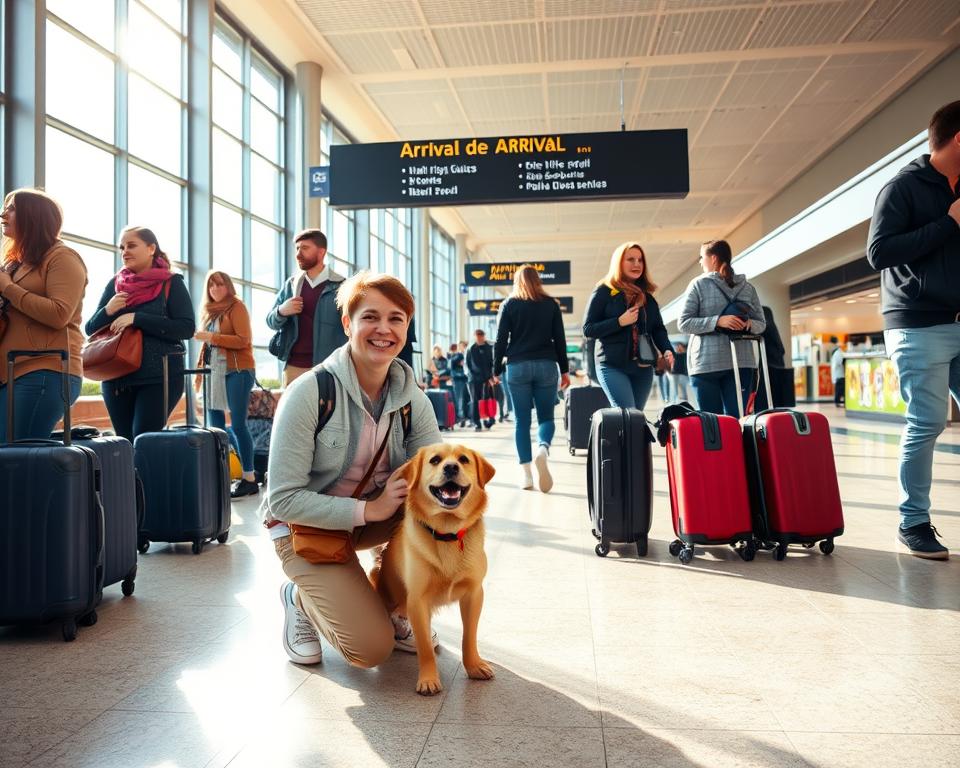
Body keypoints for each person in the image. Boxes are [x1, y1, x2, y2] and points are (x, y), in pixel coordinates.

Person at [262, 271, 443, 667]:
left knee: (439, 525)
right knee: (369, 650)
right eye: (370, 317)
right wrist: (370, 510)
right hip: (305, 529)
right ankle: (301, 600)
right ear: (348, 324)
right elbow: (284, 499)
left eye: (396, 318)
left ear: (407, 328)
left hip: (372, 522)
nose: (384, 329)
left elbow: (436, 476)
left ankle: (393, 609)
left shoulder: (414, 400)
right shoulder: (309, 392)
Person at [866, 99, 960, 561]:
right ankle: (914, 521)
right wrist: (948, 223)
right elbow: (879, 251)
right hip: (919, 324)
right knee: (927, 423)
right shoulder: (903, 187)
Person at [85, 226, 195, 441]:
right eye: (122, 247)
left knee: (143, 440)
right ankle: (129, 477)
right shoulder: (115, 285)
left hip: (159, 376)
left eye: (132, 245)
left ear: (151, 248)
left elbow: (186, 328)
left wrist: (137, 318)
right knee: (124, 442)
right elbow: (90, 329)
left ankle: (149, 477)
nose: (125, 251)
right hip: (116, 377)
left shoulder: (171, 283)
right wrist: (108, 310)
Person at [0, 189, 87, 441]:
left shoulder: (62, 258)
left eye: (12, 207)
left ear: (34, 216)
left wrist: (7, 287)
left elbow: (59, 314)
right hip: (11, 372)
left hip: (45, 371)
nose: (3, 213)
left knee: (16, 460)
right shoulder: (15, 265)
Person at [493, 265, 570, 491]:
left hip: (517, 366)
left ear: (517, 281)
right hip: (547, 365)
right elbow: (560, 340)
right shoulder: (550, 305)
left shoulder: (509, 304)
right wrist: (564, 370)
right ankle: (543, 449)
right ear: (538, 281)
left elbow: (500, 339)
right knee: (546, 418)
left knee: (522, 422)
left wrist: (496, 369)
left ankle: (526, 475)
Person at [678, 239, 765, 416]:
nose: (700, 262)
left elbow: (684, 322)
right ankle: (735, 445)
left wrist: (748, 324)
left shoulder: (699, 285)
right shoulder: (747, 288)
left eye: (702, 257)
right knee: (737, 419)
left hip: (706, 363)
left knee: (711, 423)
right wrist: (718, 321)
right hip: (740, 362)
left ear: (714, 258)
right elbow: (684, 323)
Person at [582, 242, 674, 410]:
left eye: (640, 260)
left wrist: (667, 349)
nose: (637, 264)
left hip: (643, 366)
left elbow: (658, 329)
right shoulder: (603, 291)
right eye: (630, 259)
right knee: (627, 414)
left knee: (636, 418)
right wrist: (619, 322)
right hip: (611, 365)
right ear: (619, 263)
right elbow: (588, 329)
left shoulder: (647, 298)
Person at [195, 270, 259, 498]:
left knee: (239, 425)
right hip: (214, 373)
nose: (215, 289)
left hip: (237, 371)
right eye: (211, 285)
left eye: (220, 284)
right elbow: (207, 348)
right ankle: (221, 475)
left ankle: (249, 478)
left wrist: (212, 337)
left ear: (228, 286)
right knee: (216, 428)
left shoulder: (236, 307)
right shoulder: (209, 313)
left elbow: (244, 340)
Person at [266, 229, 347, 387]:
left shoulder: (341, 286)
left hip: (329, 368)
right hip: (294, 367)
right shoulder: (291, 285)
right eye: (297, 248)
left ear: (321, 252)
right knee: (293, 412)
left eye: (304, 248)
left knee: (326, 412)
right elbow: (270, 321)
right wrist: (282, 310)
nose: (298, 254)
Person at [466, 329, 495, 431]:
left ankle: (488, 420)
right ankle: (476, 422)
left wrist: (491, 376)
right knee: (475, 401)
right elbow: (470, 366)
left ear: (484, 336)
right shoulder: (471, 348)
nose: (479, 338)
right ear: (474, 337)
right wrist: (477, 376)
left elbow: (491, 363)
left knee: (487, 400)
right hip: (474, 379)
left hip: (486, 378)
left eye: (481, 336)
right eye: (477, 336)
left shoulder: (488, 347)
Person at [448, 341, 469, 426]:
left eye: (463, 346)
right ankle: (461, 417)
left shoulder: (463, 355)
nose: (462, 348)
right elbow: (451, 366)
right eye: (460, 346)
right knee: (459, 399)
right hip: (458, 379)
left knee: (462, 399)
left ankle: (463, 417)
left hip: (463, 379)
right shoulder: (457, 356)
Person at [831, 343, 846, 407]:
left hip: (838, 375)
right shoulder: (838, 353)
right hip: (840, 375)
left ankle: (837, 401)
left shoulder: (836, 354)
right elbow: (841, 362)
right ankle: (837, 401)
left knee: (839, 390)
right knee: (840, 390)